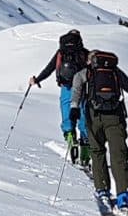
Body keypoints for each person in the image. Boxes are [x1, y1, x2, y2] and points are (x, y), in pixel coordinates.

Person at [76, 50, 128, 210]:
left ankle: (102, 189)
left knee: (97, 151)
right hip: (115, 117)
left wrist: (74, 110)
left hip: (93, 117)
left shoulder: (84, 74)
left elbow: (76, 94)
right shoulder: (115, 72)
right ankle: (124, 194)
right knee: (119, 155)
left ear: (90, 61)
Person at [26, 30, 90, 163]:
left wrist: (37, 79)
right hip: (82, 89)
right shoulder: (84, 53)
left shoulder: (61, 53)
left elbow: (49, 69)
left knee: (67, 113)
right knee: (83, 115)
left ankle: (70, 136)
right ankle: (85, 145)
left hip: (66, 87)